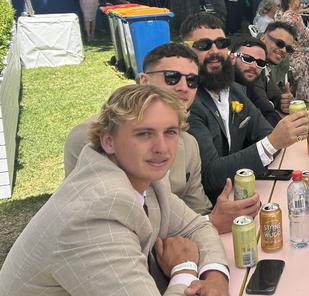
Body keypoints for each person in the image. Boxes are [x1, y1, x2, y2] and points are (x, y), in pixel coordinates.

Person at [0, 84, 231, 295]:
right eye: (144, 134)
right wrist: (184, 268)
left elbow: (197, 226)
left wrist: (215, 276)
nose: (162, 148)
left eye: (170, 132)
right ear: (108, 141)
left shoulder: (143, 178)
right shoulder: (94, 214)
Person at [64, 43, 261, 233]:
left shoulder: (188, 143)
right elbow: (103, 224)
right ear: (144, 81)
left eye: (192, 80)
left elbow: (198, 208)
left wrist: (214, 219)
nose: (184, 87)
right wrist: (210, 222)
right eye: (172, 77)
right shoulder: (93, 136)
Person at [181, 13, 309, 201]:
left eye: (221, 43)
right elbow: (211, 176)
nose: (215, 51)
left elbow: (264, 130)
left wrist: (268, 142)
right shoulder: (189, 102)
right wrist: (271, 143)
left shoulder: (232, 89)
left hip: (245, 192)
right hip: (212, 209)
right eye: (203, 45)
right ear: (186, 52)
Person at [232, 37, 282, 127]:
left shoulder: (248, 87)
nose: (254, 66)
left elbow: (272, 115)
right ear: (232, 58)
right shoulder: (220, 87)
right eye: (247, 59)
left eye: (260, 63)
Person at [280, 0, 309, 103]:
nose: (300, 1)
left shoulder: (282, 14)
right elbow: (307, 39)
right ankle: (305, 98)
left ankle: (302, 95)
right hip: (293, 56)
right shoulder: (293, 17)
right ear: (292, 0)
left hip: (285, 54)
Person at [258, 21, 296, 114]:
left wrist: (283, 102)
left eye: (288, 49)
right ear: (263, 38)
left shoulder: (265, 66)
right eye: (280, 43)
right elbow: (262, 106)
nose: (284, 50)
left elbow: (274, 94)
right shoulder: (251, 64)